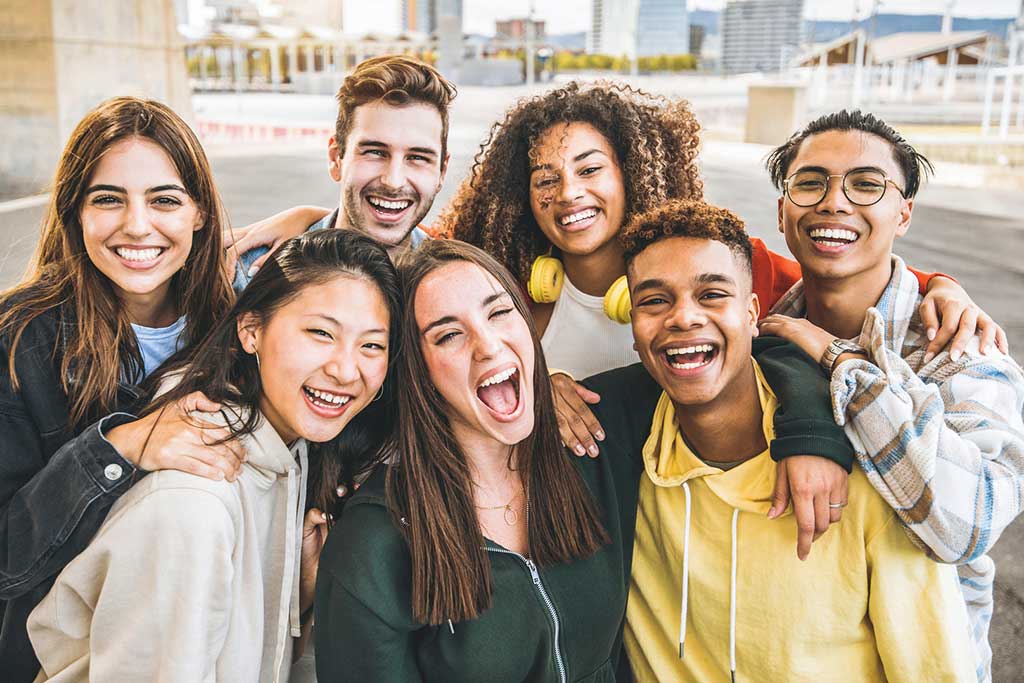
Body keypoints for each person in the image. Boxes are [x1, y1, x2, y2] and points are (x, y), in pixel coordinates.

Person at [438, 80, 1002, 555]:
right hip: (562, 542)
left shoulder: (728, 268)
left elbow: (829, 279)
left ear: (631, 171)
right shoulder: (504, 294)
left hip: (694, 538)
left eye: (591, 169)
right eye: (545, 180)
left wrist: (942, 287)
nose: (569, 194)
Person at [312, 239, 851, 682]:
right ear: (416, 370)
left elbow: (737, 353)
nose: (489, 346)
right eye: (448, 334)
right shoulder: (374, 541)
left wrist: (809, 432)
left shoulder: (593, 433)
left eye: (500, 313)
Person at [587, 199, 976, 682]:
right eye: (653, 300)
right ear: (634, 327)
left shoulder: (868, 474)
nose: (683, 317)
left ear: (753, 314)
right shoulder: (622, 455)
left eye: (711, 295)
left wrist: (941, 283)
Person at [28, 229, 401, 682]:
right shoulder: (194, 504)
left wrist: (298, 599)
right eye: (321, 333)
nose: (346, 369)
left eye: (371, 345)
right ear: (251, 330)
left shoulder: (291, 450)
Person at [758, 109, 1024, 683]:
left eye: (866, 184)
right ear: (782, 211)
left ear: (903, 212)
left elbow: (966, 525)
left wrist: (841, 362)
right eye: (810, 182)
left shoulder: (963, 350)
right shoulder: (759, 334)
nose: (834, 202)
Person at [0, 96, 240, 682]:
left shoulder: (235, 328)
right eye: (108, 199)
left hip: (200, 637)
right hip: (58, 653)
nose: (137, 225)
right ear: (74, 212)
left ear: (200, 213)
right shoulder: (17, 341)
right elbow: (7, 553)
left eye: (164, 200)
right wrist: (121, 448)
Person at [228, 54, 456, 285]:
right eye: (375, 152)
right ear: (336, 158)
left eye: (417, 157)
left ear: (441, 172)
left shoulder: (457, 285)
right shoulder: (252, 273)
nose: (393, 181)